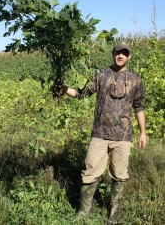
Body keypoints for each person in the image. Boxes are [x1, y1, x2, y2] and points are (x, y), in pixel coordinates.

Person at [61, 41, 147, 224]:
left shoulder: (136, 79)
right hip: (99, 134)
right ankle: (83, 213)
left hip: (123, 137)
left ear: (129, 56)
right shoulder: (101, 74)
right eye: (118, 52)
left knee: (120, 175)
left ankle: (113, 215)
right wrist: (63, 89)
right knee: (90, 172)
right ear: (113, 54)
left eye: (125, 53)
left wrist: (143, 133)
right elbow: (82, 94)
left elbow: (139, 107)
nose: (121, 55)